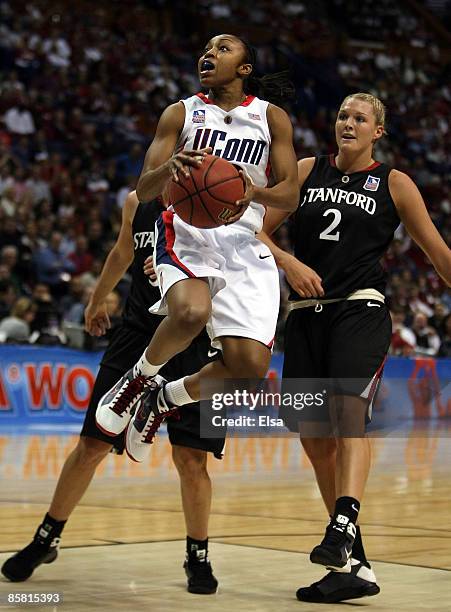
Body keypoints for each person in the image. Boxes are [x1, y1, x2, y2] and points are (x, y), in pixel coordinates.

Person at [259, 92, 451, 604]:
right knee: (314, 439)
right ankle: (354, 566)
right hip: (304, 317)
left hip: (359, 310)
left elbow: (439, 255)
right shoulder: (304, 170)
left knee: (348, 416)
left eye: (360, 118)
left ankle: (343, 520)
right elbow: (256, 232)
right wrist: (287, 261)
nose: (348, 122)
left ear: (376, 133)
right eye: (343, 114)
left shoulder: (394, 183)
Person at [2, 191, 225, 595]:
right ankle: (46, 537)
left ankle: (198, 553)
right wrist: (97, 298)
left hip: (195, 340)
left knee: (192, 457)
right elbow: (122, 251)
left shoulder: (217, 198)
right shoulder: (138, 201)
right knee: (92, 444)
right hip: (137, 335)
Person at [95, 34, 299, 462]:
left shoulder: (271, 118)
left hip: (244, 241)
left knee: (246, 375)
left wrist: (251, 192)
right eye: (205, 48)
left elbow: (289, 195)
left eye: (223, 49)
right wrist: (170, 167)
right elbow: (145, 187)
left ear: (245, 69)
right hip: (186, 231)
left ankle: (163, 400)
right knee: (190, 312)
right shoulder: (181, 113)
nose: (209, 53)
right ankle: (137, 381)